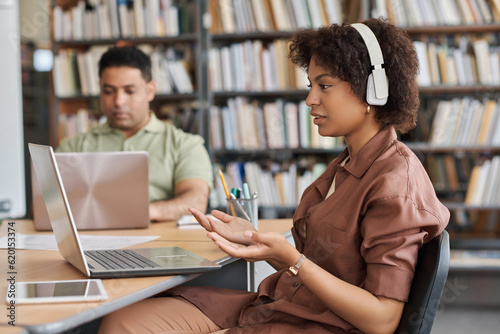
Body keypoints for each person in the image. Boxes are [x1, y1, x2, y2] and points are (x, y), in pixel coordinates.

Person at [98, 18, 449, 333]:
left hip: (314, 324)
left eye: (324, 86)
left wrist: (292, 261)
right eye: (311, 85)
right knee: (122, 320)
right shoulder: (346, 163)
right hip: (281, 307)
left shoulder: (394, 183)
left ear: (373, 90)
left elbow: (382, 320)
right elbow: (325, 262)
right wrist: (256, 238)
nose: (310, 99)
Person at [57, 46, 213, 222]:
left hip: (161, 242)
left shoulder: (185, 145)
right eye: (108, 91)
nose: (118, 101)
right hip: (91, 239)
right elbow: (46, 204)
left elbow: (196, 201)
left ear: (150, 91)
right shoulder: (74, 146)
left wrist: (143, 212)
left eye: (130, 91)